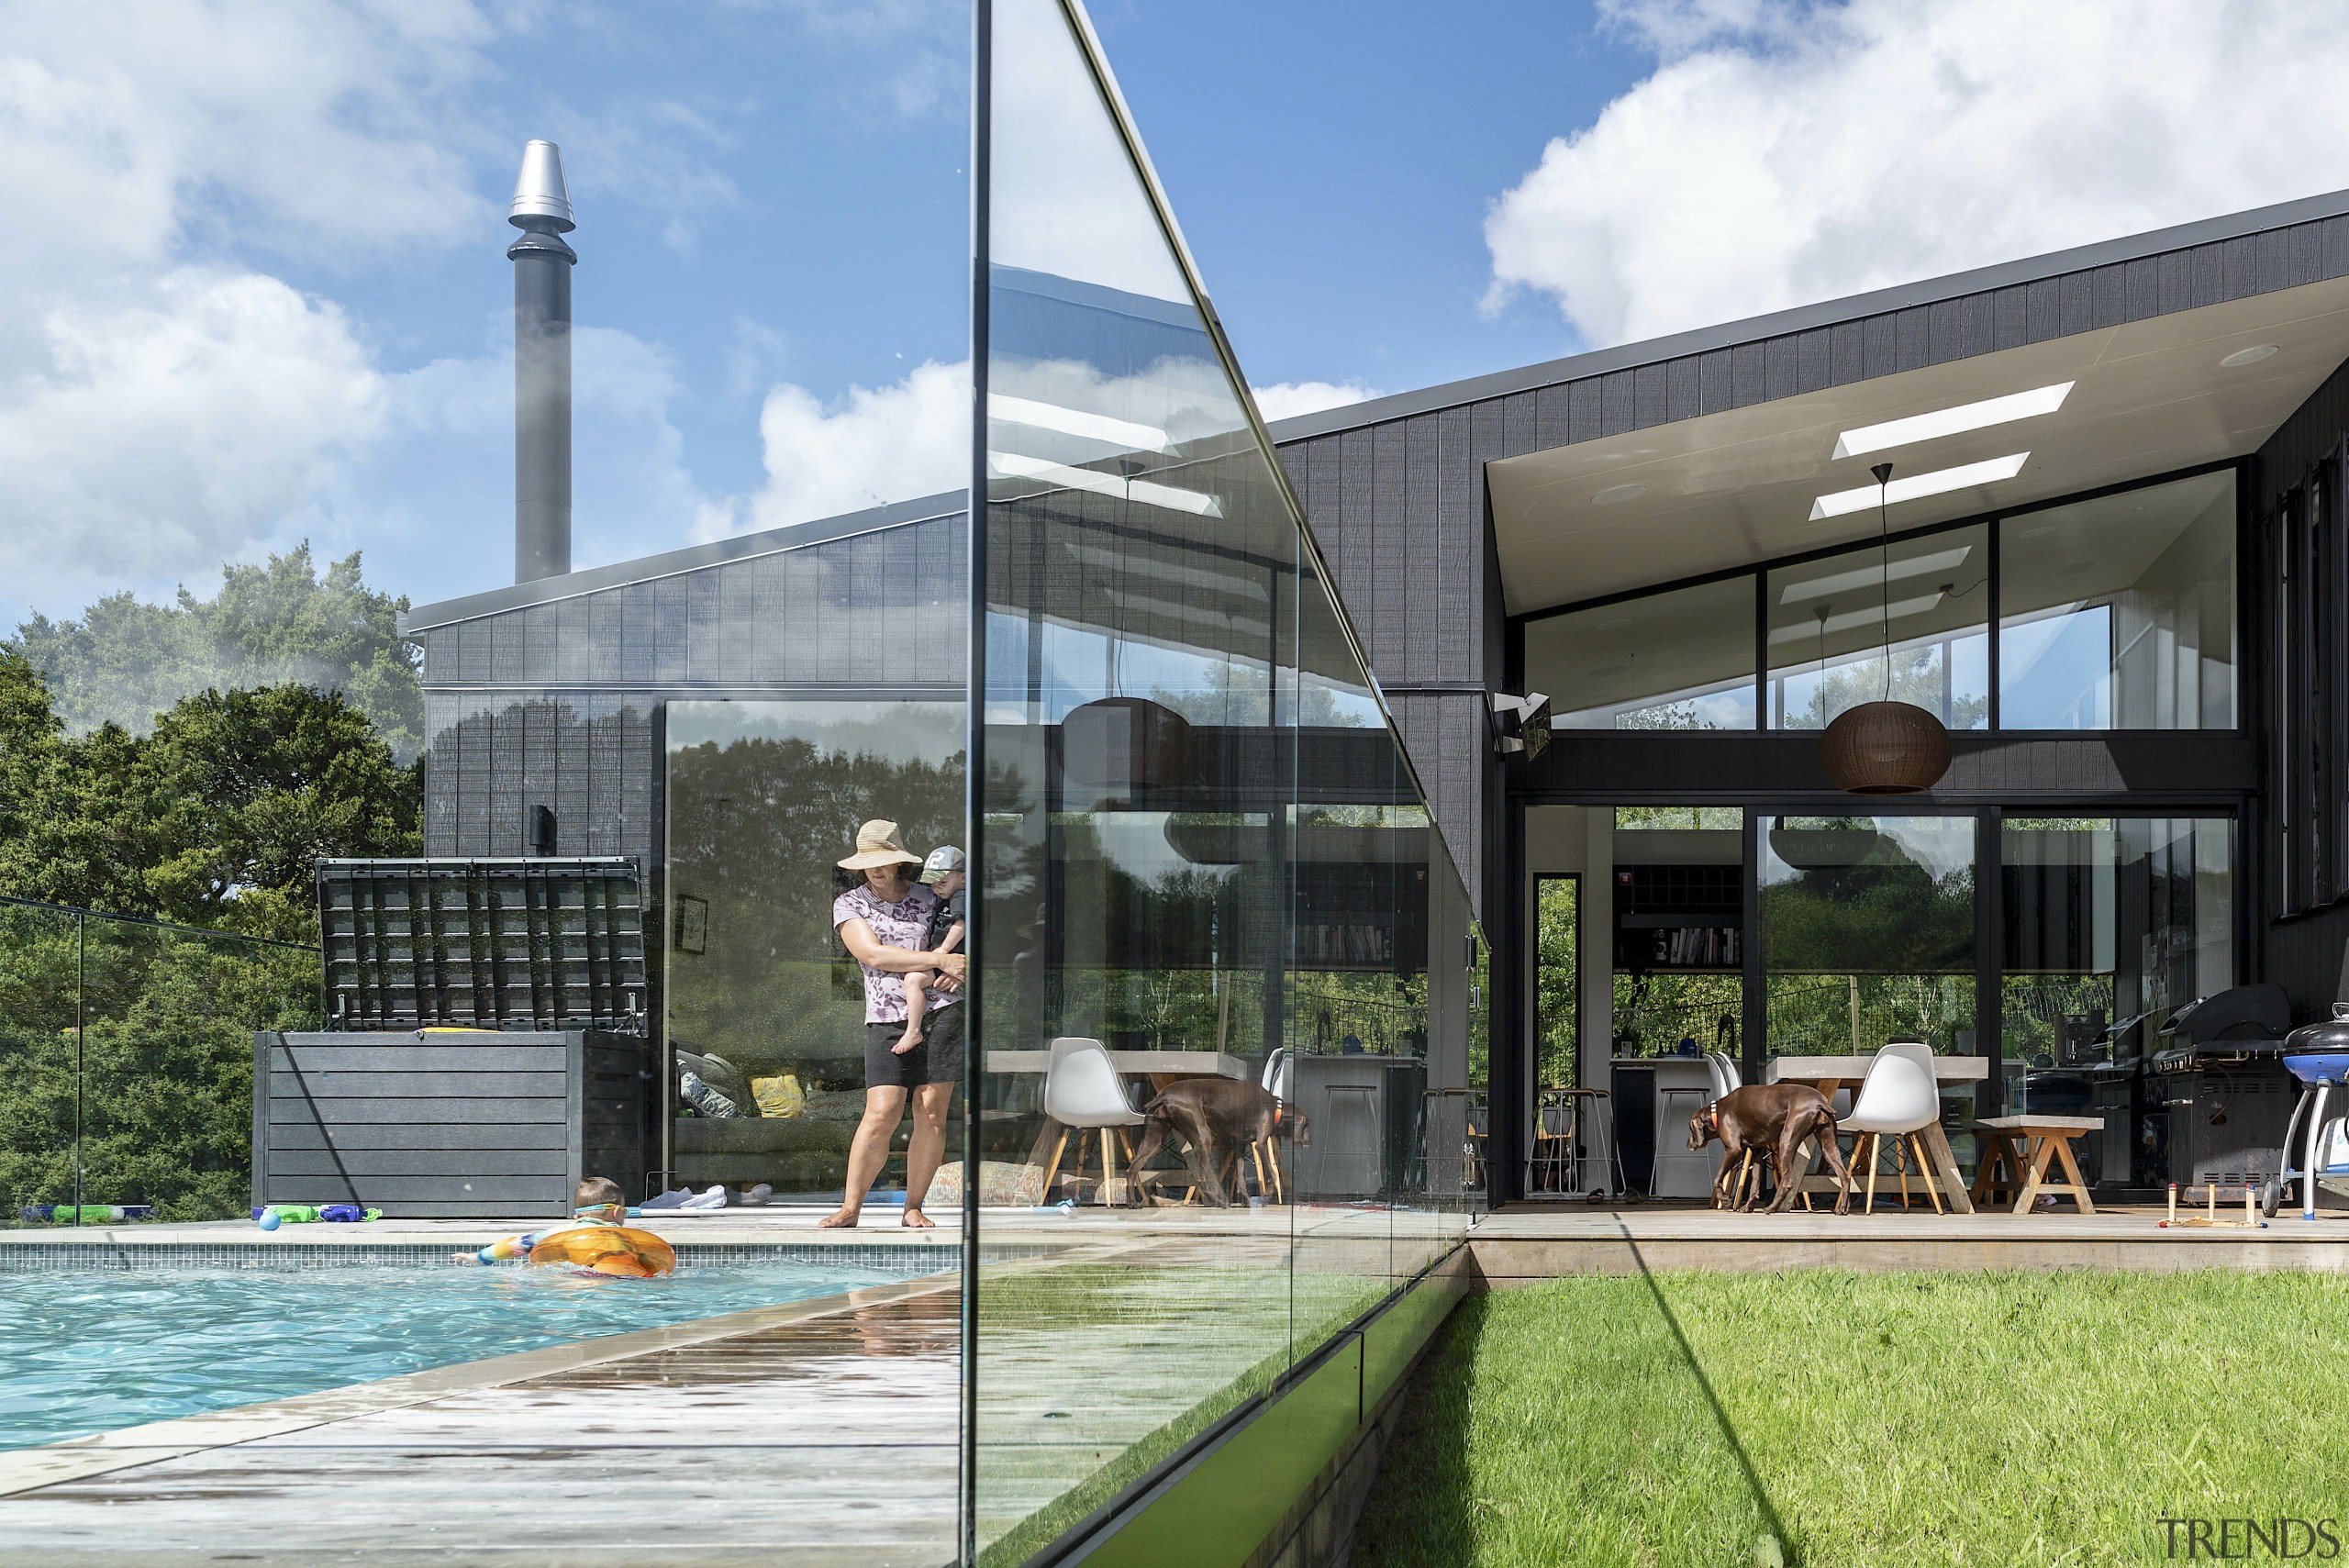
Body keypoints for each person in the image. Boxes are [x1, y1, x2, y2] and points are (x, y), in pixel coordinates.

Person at [823, 819, 966, 1229]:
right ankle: (850, 1208)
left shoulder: (930, 894)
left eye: (883, 861)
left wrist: (962, 965)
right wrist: (940, 960)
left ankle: (913, 1207)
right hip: (886, 1016)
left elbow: (965, 928)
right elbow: (874, 955)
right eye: (868, 862)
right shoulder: (850, 904)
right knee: (882, 1111)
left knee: (931, 1112)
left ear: (898, 861)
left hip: (943, 1011)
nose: (876, 869)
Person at [894, 846, 967, 1055]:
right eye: (933, 883)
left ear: (963, 878)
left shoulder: (961, 896)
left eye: (943, 882)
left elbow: (961, 925)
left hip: (950, 957)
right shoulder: (945, 898)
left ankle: (913, 1031)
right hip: (943, 962)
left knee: (912, 980)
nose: (937, 888)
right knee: (913, 981)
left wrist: (943, 951)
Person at [459, 1175, 629, 1264]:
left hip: (569, 1282)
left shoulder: (561, 1233)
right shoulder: (623, 1236)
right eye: (624, 1211)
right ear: (615, 1212)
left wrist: (480, 1257)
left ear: (577, 1215)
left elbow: (517, 1244)